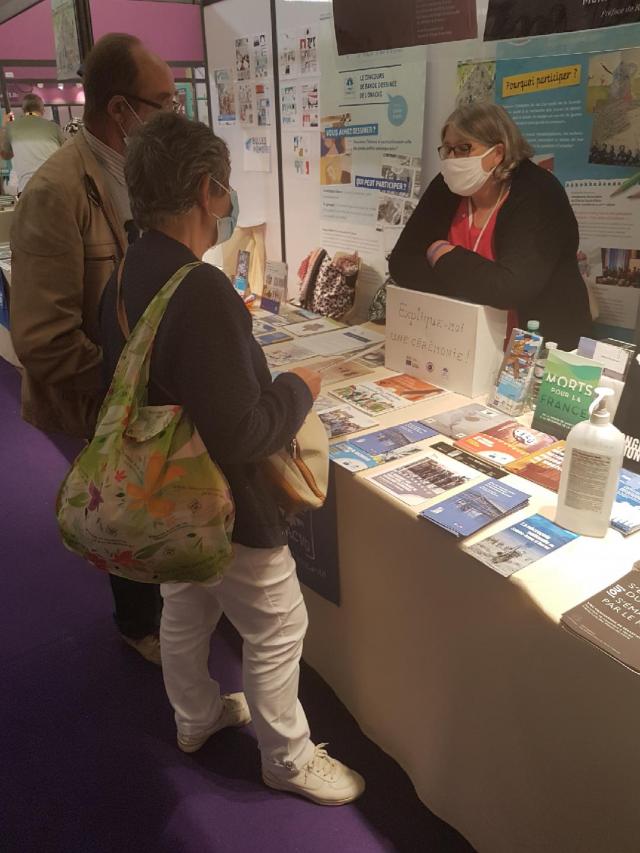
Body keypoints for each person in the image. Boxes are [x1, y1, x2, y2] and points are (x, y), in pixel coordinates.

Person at [98, 110, 365, 805]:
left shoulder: (129, 267)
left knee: (184, 601)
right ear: (205, 189)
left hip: (166, 490)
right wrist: (296, 389)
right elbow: (246, 433)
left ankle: (196, 715)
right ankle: (288, 756)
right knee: (279, 623)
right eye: (224, 189)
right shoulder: (200, 288)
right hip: (222, 496)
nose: (227, 201)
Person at [10, 33, 178, 665]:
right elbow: (43, 340)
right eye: (162, 102)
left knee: (157, 493)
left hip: (143, 377)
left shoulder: (138, 172)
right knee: (126, 496)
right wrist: (128, 378)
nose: (172, 114)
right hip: (106, 391)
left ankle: (159, 605)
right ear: (120, 109)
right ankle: (140, 626)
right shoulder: (57, 193)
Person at [389, 103, 592, 350]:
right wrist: (477, 285)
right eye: (448, 149)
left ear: (498, 153)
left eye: (464, 148)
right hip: (459, 343)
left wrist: (442, 254)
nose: (453, 160)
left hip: (538, 350)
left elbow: (511, 288)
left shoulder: (537, 192)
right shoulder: (447, 186)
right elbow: (401, 263)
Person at [0, 94, 65, 194]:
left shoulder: (11, 127)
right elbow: (66, 152)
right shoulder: (53, 127)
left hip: (27, 188)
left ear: (23, 109)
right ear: (42, 109)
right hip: (55, 186)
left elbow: (5, 155)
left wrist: (4, 127)